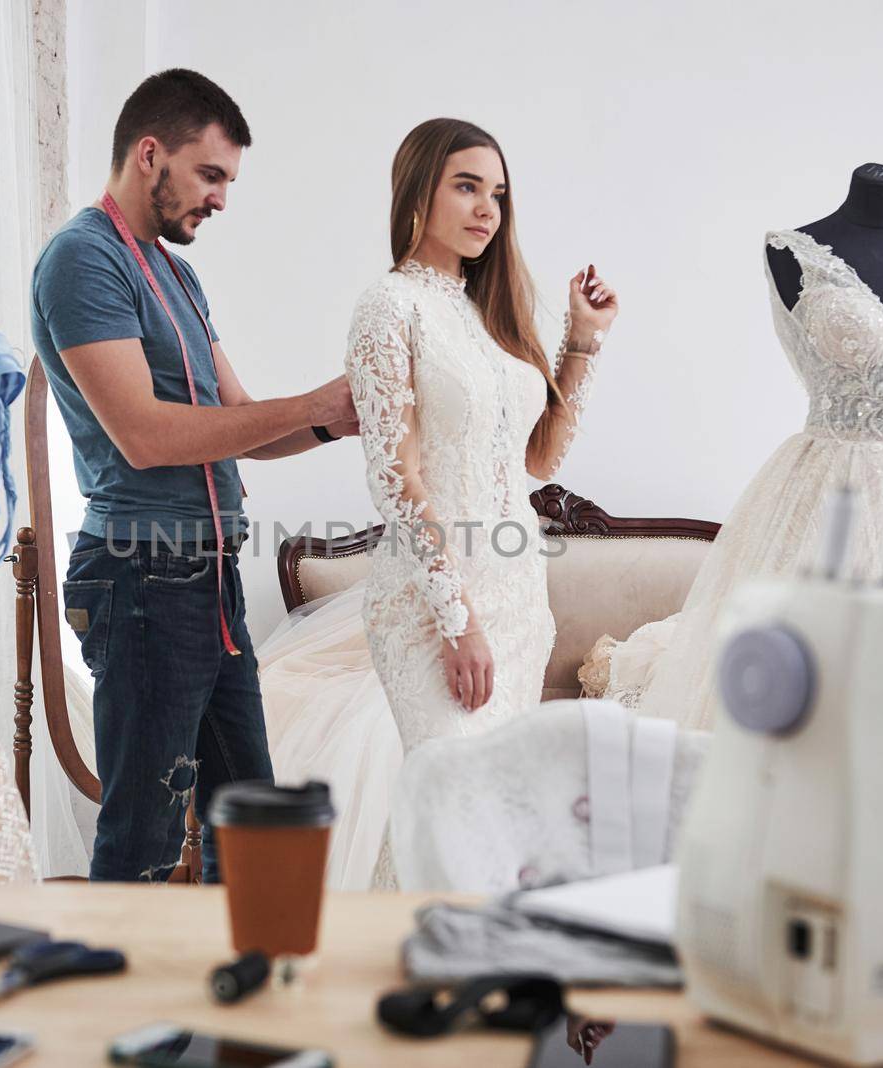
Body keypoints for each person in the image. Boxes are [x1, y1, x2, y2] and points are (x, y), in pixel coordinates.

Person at [260, 117, 619, 888]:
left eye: (497, 192)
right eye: (466, 186)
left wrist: (580, 341)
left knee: (489, 820)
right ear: (418, 190)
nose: (487, 208)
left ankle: (461, 983)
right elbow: (397, 478)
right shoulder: (388, 308)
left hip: (519, 599)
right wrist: (459, 624)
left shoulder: (495, 314)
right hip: (432, 608)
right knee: (457, 804)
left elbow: (538, 457)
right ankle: (408, 974)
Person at [30, 69, 357, 882]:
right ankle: (121, 1009)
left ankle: (232, 1000)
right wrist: (306, 402)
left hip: (208, 581)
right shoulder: (81, 261)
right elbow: (144, 435)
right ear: (151, 155)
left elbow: (239, 421)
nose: (220, 200)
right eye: (210, 174)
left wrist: (334, 418)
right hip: (141, 577)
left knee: (252, 827)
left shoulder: (177, 274)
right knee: (141, 841)